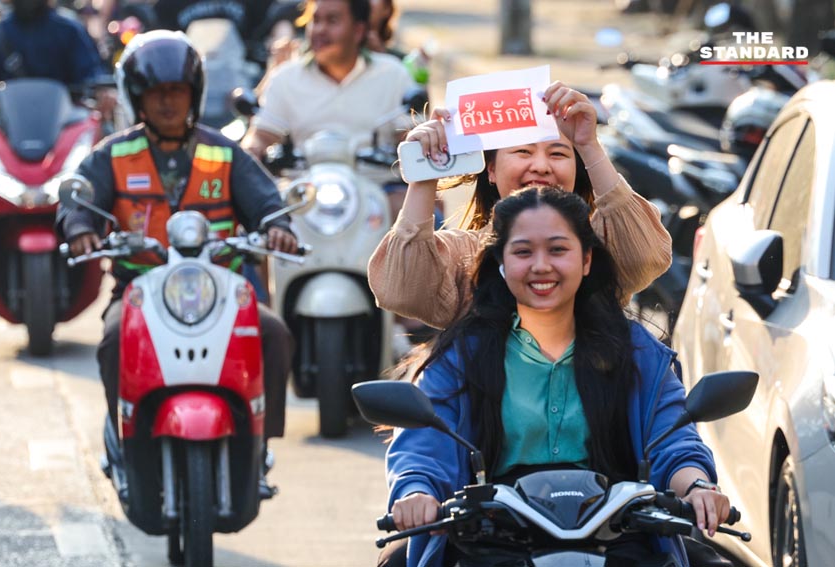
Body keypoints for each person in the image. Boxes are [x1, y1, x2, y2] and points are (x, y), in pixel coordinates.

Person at [380, 186, 731, 567]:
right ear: (501, 262)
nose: (541, 265)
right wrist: (417, 492)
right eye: (523, 251)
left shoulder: (636, 351)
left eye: (558, 249)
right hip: (491, 538)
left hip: (619, 539)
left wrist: (697, 486)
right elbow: (425, 445)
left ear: (586, 259)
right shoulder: (463, 354)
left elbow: (673, 437)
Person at [56, 30, 297, 498]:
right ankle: (126, 441)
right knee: (110, 342)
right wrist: (80, 227)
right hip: (140, 288)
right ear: (138, 99)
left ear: (194, 94)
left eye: (177, 91)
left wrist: (276, 226)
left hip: (220, 289)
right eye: (157, 93)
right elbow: (78, 199)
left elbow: (267, 201)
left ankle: (258, 446)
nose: (168, 103)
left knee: (273, 334)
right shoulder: (113, 154)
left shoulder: (223, 153)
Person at [368, 81, 672, 331]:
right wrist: (425, 173)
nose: (541, 166)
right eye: (523, 152)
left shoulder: (598, 245)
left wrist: (589, 145)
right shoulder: (464, 256)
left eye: (558, 154)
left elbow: (647, 257)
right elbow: (402, 291)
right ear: (490, 170)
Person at [241, 0, 417, 219]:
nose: (319, 30)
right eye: (315, 20)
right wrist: (249, 153)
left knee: (426, 219)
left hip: (377, 195)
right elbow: (260, 136)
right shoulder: (285, 78)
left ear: (359, 29)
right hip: (302, 195)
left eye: (332, 20)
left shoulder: (394, 74)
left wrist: (423, 143)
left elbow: (411, 137)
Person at [0, 0, 106, 87]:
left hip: (63, 117)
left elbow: (91, 74)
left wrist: (102, 90)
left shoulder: (69, 29)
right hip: (6, 119)